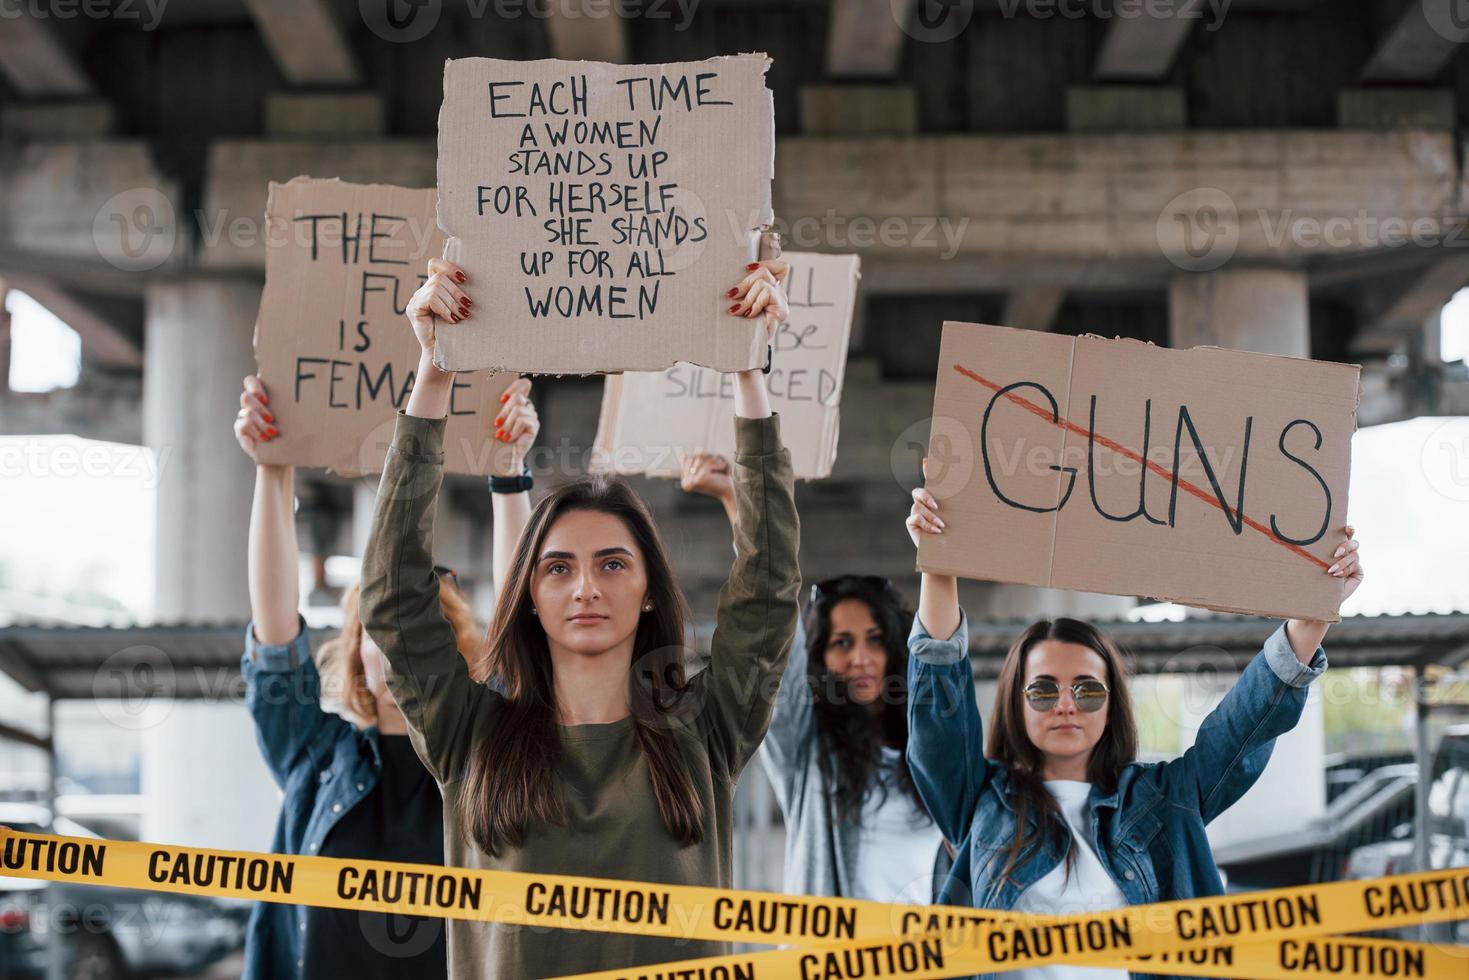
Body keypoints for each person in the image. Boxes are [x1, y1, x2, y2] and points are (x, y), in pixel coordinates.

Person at [358, 257, 800, 977]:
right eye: (557, 568)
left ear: (651, 588)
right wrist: (434, 372)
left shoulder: (704, 729)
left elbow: (770, 588)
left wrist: (749, 373)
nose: (585, 587)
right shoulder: (469, 735)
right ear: (529, 593)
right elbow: (391, 594)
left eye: (613, 564)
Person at [903, 469, 1363, 980]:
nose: (1065, 704)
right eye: (1043, 689)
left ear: (1112, 703)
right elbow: (937, 708)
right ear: (1016, 702)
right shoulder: (980, 800)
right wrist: (937, 560)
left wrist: (1316, 608)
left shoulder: (1165, 799)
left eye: (1087, 688)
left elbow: (1244, 726)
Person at [233, 371, 538, 980]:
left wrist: (509, 478)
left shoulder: (481, 757)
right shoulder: (313, 756)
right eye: (382, 633)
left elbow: (519, 630)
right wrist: (274, 469)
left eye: (426, 635)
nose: (402, 652)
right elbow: (274, 632)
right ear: (355, 656)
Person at [681, 455, 950, 904]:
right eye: (841, 643)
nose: (860, 658)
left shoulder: (926, 755)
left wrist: (943, 540)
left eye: (874, 640)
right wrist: (736, 500)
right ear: (820, 658)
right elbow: (773, 636)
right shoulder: (807, 749)